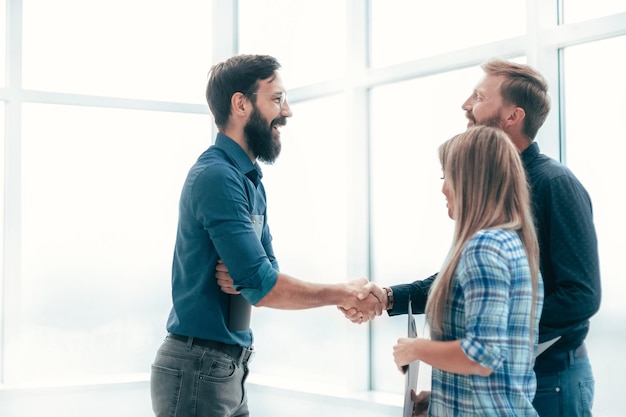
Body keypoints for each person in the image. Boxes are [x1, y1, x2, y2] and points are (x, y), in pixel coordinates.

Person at [347, 58, 602, 417]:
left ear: (513, 116)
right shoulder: (492, 213)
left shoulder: (553, 184)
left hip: (549, 377)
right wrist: (391, 298)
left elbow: (581, 297)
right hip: (499, 381)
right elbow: (467, 287)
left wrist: (486, 330)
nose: (466, 104)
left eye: (479, 96)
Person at [150, 54, 381, 417]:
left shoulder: (249, 180)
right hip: (198, 367)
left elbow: (265, 272)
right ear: (240, 103)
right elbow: (262, 284)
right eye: (276, 99)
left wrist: (254, 279)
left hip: (227, 368)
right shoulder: (217, 177)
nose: (287, 112)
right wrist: (344, 293)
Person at [393, 126, 543, 416]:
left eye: (446, 176)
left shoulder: (484, 247)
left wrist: (415, 349)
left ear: (470, 181)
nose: (443, 187)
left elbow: (482, 355)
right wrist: (438, 399)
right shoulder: (513, 244)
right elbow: (500, 368)